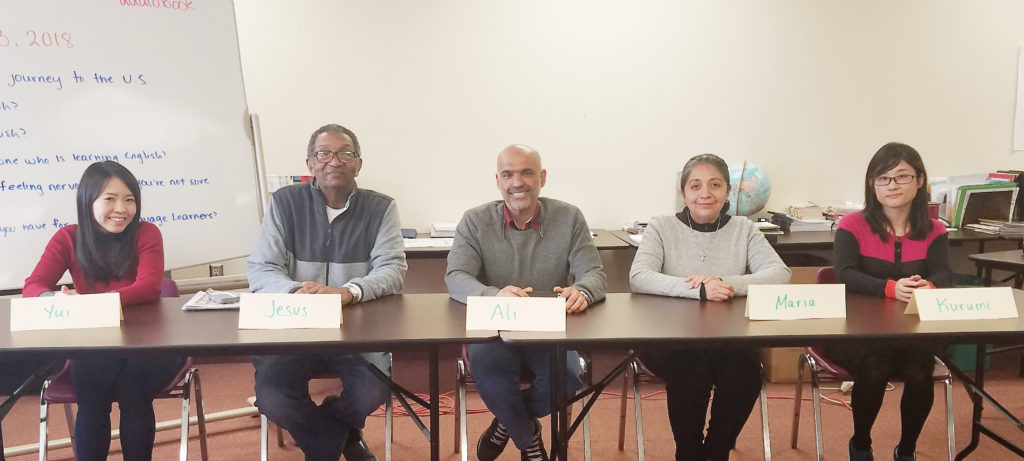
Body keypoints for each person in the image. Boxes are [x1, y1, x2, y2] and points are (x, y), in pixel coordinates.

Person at [248, 124, 407, 461]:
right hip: (291, 328)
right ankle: (334, 440)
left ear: (358, 164)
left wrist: (348, 292)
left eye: (345, 153)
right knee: (273, 397)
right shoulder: (284, 203)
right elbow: (261, 269)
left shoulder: (382, 208)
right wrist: (297, 291)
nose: (334, 161)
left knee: (371, 391)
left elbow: (393, 270)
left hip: (356, 331)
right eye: (324, 153)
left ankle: (329, 433)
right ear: (310, 164)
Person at [445, 144, 607, 461]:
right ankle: (529, 440)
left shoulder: (569, 217)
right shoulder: (475, 221)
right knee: (493, 377)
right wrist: (494, 294)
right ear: (497, 180)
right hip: (494, 325)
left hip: (549, 328)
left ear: (542, 177)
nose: (517, 182)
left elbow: (594, 273)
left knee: (567, 379)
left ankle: (507, 423)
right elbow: (456, 276)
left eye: (526, 172)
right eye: (508, 174)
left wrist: (584, 290)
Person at [629, 153, 791, 461]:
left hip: (726, 335)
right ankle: (688, 453)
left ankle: (716, 452)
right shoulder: (662, 226)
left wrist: (723, 283)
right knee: (692, 372)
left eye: (715, 185)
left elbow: (780, 274)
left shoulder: (744, 229)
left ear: (727, 192)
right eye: (696, 185)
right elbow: (639, 277)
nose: (705, 193)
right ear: (684, 193)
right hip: (670, 336)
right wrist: (698, 290)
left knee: (746, 374)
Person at [23, 160, 183, 461]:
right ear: (88, 200)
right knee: (92, 395)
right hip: (97, 343)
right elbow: (33, 285)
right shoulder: (68, 238)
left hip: (150, 341)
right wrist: (52, 299)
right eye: (109, 199)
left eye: (129, 199)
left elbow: (148, 287)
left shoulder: (146, 233)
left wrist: (90, 302)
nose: (121, 208)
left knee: (134, 392)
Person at [827, 142, 952, 461]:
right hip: (857, 331)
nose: (891, 185)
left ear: (920, 181)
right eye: (882, 178)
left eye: (901, 177)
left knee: (919, 372)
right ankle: (861, 444)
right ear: (872, 184)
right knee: (875, 368)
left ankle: (907, 449)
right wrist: (889, 288)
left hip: (911, 332)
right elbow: (844, 273)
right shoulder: (852, 225)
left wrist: (930, 286)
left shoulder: (935, 230)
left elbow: (946, 275)